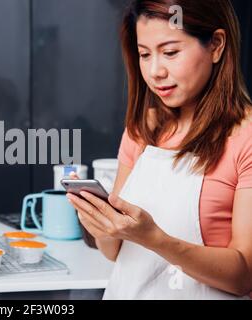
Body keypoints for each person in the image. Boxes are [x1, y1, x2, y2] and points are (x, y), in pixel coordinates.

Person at [67, 0, 252, 299]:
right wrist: (100, 224)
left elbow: (244, 276)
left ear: (216, 45)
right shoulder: (142, 130)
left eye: (170, 52)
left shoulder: (246, 138)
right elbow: (116, 253)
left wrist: (155, 239)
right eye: (144, 54)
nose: (155, 71)